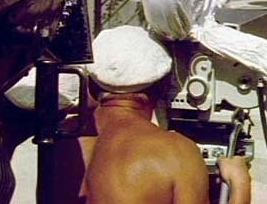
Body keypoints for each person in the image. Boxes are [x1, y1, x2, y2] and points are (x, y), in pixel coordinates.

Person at [82, 26, 251, 204]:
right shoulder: (177, 152)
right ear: (163, 87)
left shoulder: (65, 137)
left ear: (91, 86)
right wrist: (240, 183)